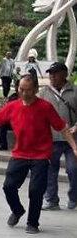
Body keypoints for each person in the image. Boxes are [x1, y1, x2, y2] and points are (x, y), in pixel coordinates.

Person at [0, 75, 77, 234]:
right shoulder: (13, 106)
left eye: (28, 90)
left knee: (35, 190)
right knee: (8, 186)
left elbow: (62, 128)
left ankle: (33, 223)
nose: (24, 93)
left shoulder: (45, 107)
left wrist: (74, 147)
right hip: (20, 153)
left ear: (35, 90)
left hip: (41, 155)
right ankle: (17, 210)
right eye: (21, 89)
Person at [39, 62, 77, 211]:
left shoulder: (74, 91)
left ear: (65, 74)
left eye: (55, 73)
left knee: (73, 169)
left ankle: (74, 198)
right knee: (49, 170)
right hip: (51, 138)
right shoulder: (44, 93)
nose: (52, 76)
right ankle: (51, 200)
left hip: (72, 140)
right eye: (50, 73)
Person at [0, 80, 20, 151]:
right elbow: (7, 110)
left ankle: (20, 146)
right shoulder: (13, 97)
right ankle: (2, 145)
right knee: (2, 123)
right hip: (12, 121)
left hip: (23, 121)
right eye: (17, 86)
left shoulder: (28, 97)